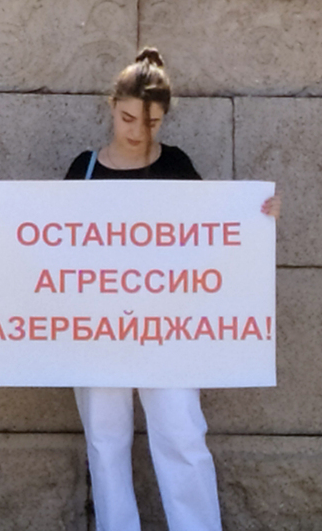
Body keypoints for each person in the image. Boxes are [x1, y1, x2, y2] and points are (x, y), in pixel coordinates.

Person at [64, 47, 279, 531]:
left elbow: (214, 235)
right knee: (104, 440)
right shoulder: (85, 168)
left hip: (169, 329)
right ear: (111, 106)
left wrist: (256, 218)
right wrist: (0, 218)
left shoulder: (176, 164)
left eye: (152, 122)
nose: (138, 132)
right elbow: (49, 240)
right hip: (97, 327)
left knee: (181, 434)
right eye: (127, 118)